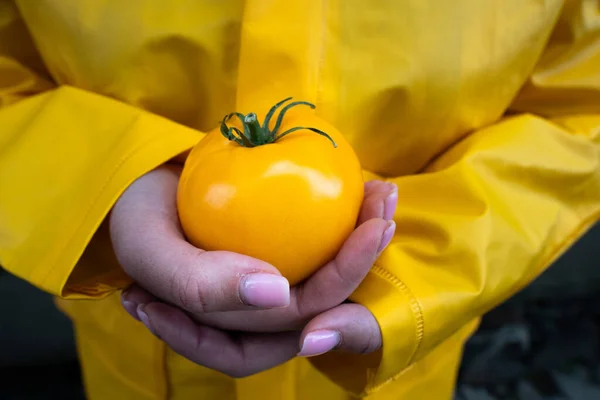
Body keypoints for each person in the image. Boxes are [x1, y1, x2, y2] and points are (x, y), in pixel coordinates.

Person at [1, 0, 598, 399]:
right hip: (133, 348)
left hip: (399, 362)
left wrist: (415, 270)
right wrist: (111, 188)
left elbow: (583, 105)